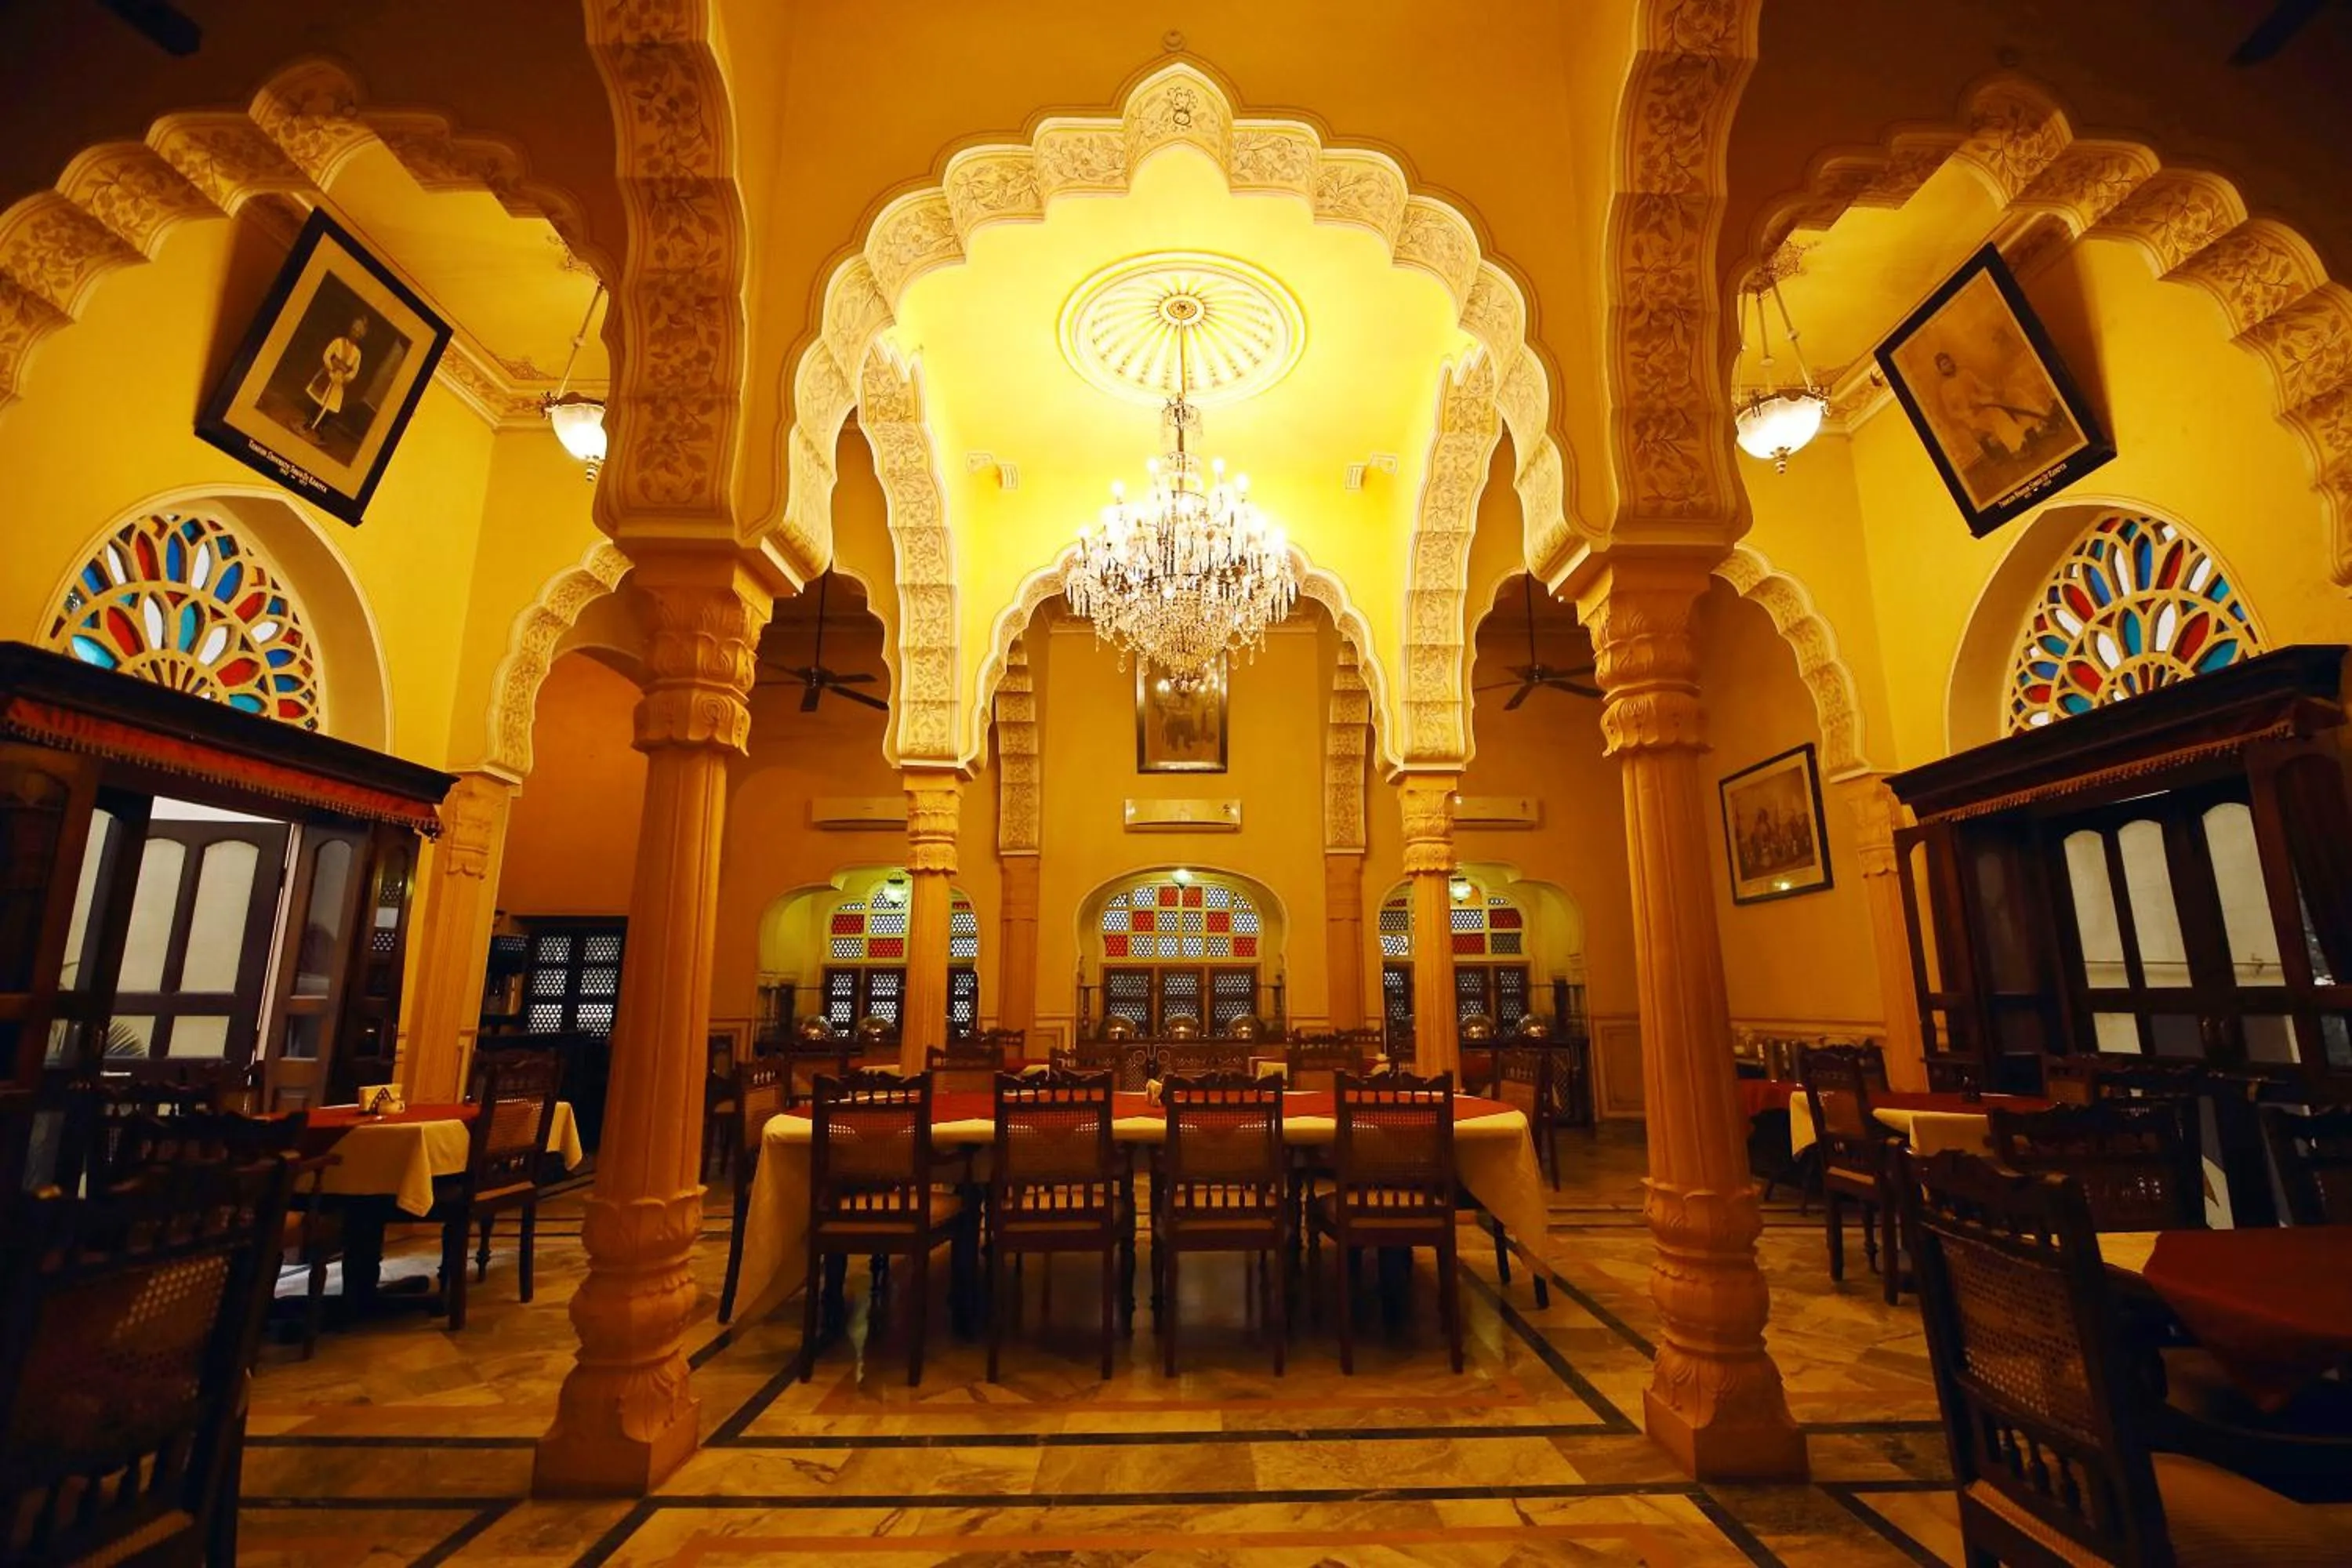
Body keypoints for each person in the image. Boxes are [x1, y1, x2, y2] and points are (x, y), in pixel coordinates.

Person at [1929, 348, 2049, 459]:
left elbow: (1983, 387)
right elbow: (1952, 413)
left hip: (1986, 404)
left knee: (2015, 394)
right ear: (1940, 370)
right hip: (1973, 418)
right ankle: (2017, 448)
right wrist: (1970, 412)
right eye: (1944, 365)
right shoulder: (1945, 389)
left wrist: (1996, 392)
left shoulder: (1966, 374)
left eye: (1948, 361)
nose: (1948, 365)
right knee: (1996, 414)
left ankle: (2040, 425)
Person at [303, 316, 368, 436]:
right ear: (350, 330)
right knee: (319, 400)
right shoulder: (338, 342)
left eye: (359, 333)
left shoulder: (357, 354)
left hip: (339, 381)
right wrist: (331, 368)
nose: (355, 334)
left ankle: (320, 427)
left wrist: (345, 378)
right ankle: (310, 421)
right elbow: (327, 354)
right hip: (328, 374)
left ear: (361, 337)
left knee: (332, 406)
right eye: (354, 331)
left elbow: (354, 371)